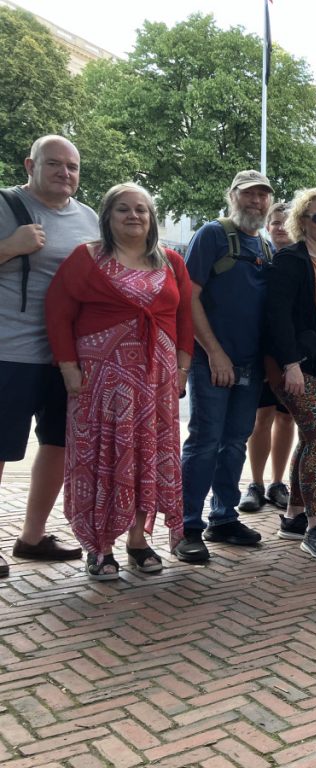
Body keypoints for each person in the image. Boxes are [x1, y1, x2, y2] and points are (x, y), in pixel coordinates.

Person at [45, 183, 193, 579]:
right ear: (107, 216)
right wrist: (68, 366)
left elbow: (184, 321)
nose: (133, 216)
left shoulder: (171, 261)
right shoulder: (87, 257)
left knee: (145, 456)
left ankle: (138, 541)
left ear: (152, 218)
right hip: (100, 383)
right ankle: (99, 546)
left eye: (141, 210)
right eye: (123, 209)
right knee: (104, 458)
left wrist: (181, 369)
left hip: (155, 380)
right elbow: (58, 311)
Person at [0, 135, 98, 578]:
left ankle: (33, 536)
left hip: (67, 357)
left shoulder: (89, 218)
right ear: (29, 164)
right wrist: (10, 247)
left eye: (73, 166)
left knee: (58, 442)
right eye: (54, 164)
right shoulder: (5, 206)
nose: (65, 173)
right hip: (10, 351)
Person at [176, 170, 274, 563]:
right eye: (249, 194)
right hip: (211, 362)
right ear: (232, 195)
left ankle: (222, 517)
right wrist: (214, 353)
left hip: (249, 366)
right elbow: (189, 297)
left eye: (263, 195)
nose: (257, 202)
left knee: (235, 442)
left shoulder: (264, 246)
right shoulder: (212, 235)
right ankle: (185, 527)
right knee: (204, 441)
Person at [264, 188, 316, 559]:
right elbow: (276, 315)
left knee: (310, 438)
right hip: (299, 366)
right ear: (302, 222)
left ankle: (294, 515)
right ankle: (315, 527)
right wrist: (290, 364)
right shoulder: (291, 260)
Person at [239, 202, 296, 513]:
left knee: (286, 418)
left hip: (291, 354)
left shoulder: (303, 259)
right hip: (260, 352)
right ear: (267, 226)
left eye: (286, 222)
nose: (281, 227)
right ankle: (256, 483)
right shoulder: (257, 257)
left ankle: (277, 482)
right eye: (275, 222)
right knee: (261, 418)